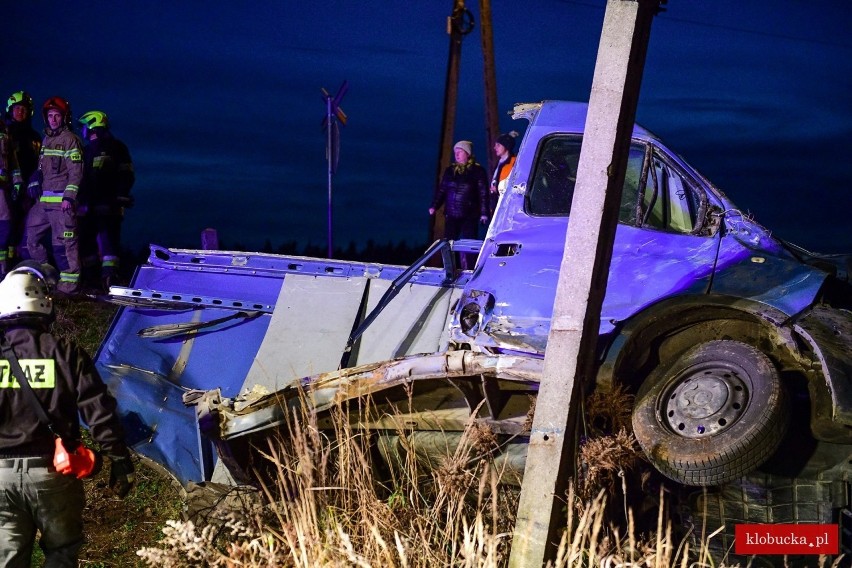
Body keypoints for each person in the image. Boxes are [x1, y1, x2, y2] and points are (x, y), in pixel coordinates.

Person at [0, 262, 135, 566]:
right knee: (62, 554)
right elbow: (97, 406)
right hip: (54, 472)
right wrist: (117, 458)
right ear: (43, 303)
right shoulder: (64, 350)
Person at [25, 97, 84, 295]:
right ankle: (47, 273)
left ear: (64, 118)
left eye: (57, 115)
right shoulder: (47, 139)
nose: (53, 119)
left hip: (62, 203)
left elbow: (76, 171)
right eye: (50, 116)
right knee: (30, 238)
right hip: (43, 202)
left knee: (64, 244)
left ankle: (69, 287)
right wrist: (35, 178)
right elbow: (42, 168)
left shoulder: (70, 139)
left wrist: (69, 197)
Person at [77, 110, 135, 291]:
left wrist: (122, 194)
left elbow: (127, 173)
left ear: (93, 124)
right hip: (88, 206)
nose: (82, 131)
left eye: (84, 126)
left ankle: (110, 281)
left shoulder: (117, 147)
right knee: (87, 244)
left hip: (109, 204)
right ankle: (91, 281)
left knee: (108, 243)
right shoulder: (85, 150)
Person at [428, 140, 488, 268]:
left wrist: (484, 213)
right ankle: (448, 269)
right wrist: (434, 205)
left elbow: (483, 193)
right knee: (448, 243)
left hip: (470, 214)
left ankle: (470, 270)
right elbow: (442, 189)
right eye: (455, 152)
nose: (457, 154)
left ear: (467, 153)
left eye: (460, 151)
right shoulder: (450, 171)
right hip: (452, 213)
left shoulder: (477, 171)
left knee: (469, 243)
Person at [4, 91, 42, 263]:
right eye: (17, 108)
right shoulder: (5, 133)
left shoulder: (35, 137)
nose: (21, 112)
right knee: (6, 226)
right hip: (6, 187)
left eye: (24, 109)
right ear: (10, 110)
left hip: (29, 190)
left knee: (24, 229)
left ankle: (17, 264)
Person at [0, 121, 22, 277]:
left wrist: (17, 184)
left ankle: (3, 270)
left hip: (3, 190)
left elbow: (13, 164)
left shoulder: (5, 136)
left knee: (5, 228)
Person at [489, 131, 518, 218]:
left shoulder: (514, 162)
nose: (495, 148)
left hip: (508, 205)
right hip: (497, 203)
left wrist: (497, 188)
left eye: (498, 145)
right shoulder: (499, 162)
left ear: (506, 146)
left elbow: (515, 183)